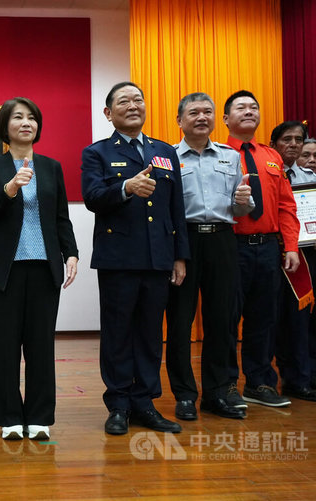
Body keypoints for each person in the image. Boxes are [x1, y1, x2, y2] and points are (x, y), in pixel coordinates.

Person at [81, 82, 190, 436]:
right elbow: (93, 197)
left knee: (148, 334)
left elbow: (177, 208)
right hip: (119, 259)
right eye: (123, 101)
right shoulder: (96, 152)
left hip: (159, 257)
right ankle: (118, 404)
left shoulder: (164, 152)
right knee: (118, 334)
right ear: (108, 113)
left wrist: (179, 256)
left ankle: (145, 402)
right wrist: (126, 187)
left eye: (138, 100)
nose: (133, 105)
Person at [0, 97, 78, 440]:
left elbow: (60, 216)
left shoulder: (51, 167)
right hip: (4, 269)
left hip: (44, 266)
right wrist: (10, 187)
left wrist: (72, 253)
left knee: (40, 345)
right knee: (5, 346)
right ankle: (8, 417)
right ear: (5, 126)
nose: (26, 123)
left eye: (32, 118)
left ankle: (38, 417)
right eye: (18, 117)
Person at [165, 93, 252, 421]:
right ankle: (185, 394)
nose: (202, 117)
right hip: (184, 243)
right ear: (179, 120)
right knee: (179, 322)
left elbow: (240, 209)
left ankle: (218, 392)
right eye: (194, 112)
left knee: (222, 320)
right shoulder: (169, 156)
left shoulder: (230, 156)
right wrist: (175, 252)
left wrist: (245, 200)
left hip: (222, 242)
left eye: (207, 112)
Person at [222, 91, 300, 409]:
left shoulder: (272, 156)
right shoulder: (216, 154)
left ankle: (259, 382)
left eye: (254, 107)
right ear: (226, 119)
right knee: (226, 318)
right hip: (230, 247)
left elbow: (286, 205)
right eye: (241, 107)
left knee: (263, 318)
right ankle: (225, 385)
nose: (249, 111)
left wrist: (291, 246)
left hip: (268, 248)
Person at [270, 122, 316, 401]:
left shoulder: (309, 178)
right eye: (287, 139)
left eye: (298, 139)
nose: (293, 144)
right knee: (270, 320)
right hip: (270, 254)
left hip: (304, 256)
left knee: (300, 319)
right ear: (274, 144)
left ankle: (299, 378)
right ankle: (263, 380)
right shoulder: (264, 171)